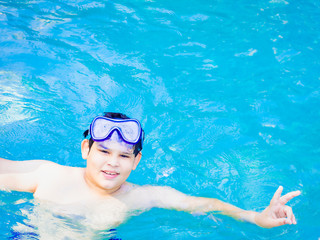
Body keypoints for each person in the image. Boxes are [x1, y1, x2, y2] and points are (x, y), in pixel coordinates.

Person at [0, 112, 301, 229]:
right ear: (85, 150)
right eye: (103, 151)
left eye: (123, 155)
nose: (112, 162)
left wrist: (255, 216)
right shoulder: (48, 176)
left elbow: (203, 205)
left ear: (136, 161)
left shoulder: (141, 197)